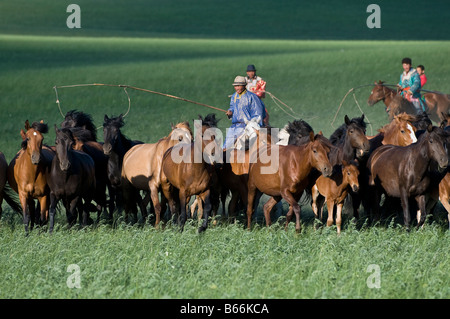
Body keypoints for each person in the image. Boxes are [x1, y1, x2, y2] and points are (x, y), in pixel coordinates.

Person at [223, 76, 265, 150]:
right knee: (225, 147)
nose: (237, 88)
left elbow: (258, 114)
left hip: (247, 127)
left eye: (239, 86)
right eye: (235, 86)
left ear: (244, 85)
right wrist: (230, 112)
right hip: (234, 126)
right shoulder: (234, 96)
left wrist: (250, 124)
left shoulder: (252, 97)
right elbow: (232, 107)